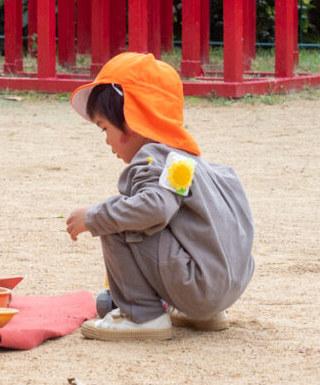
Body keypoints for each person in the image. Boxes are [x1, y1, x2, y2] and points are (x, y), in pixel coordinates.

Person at [65, 53, 254, 341]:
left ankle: (141, 316)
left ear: (130, 121)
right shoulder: (189, 164)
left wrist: (93, 217)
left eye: (105, 128)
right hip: (228, 289)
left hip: (197, 288)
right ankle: (202, 313)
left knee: (117, 216)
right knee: (143, 214)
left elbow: (155, 208)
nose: (106, 141)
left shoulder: (154, 159)